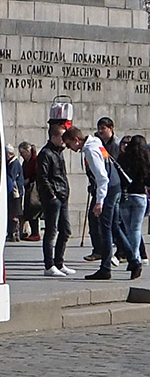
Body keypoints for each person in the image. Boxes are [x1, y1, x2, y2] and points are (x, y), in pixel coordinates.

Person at [64, 125, 121, 280]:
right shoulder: (95, 141)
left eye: (69, 144)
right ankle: (132, 259)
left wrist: (99, 201)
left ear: (76, 140)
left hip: (107, 189)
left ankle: (106, 268)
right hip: (114, 186)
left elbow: (102, 177)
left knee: (106, 229)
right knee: (113, 226)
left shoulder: (90, 150)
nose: (70, 149)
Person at [36, 123, 75, 277]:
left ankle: (59, 262)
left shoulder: (58, 152)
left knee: (65, 230)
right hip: (54, 197)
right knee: (51, 231)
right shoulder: (46, 153)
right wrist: (52, 194)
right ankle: (49, 265)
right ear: (53, 137)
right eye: (61, 137)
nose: (64, 140)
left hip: (62, 195)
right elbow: (42, 177)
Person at [83, 116, 122, 262]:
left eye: (103, 128)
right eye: (99, 128)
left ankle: (124, 252)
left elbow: (109, 169)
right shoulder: (96, 142)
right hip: (99, 186)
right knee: (95, 219)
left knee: (113, 223)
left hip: (111, 186)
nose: (100, 131)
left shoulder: (116, 145)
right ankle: (98, 250)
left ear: (110, 128)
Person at [116, 134, 149, 280]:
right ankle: (135, 257)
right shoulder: (146, 159)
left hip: (125, 196)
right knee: (136, 228)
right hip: (140, 195)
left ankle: (133, 258)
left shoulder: (123, 158)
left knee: (127, 228)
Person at [18, 141, 42, 241]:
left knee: (33, 210)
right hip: (28, 188)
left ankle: (35, 233)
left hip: (34, 188)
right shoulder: (26, 162)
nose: (21, 155)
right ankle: (32, 232)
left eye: (23, 152)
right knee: (29, 210)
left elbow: (37, 173)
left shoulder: (35, 160)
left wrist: (29, 179)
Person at [5, 144, 24, 242]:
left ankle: (13, 233)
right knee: (13, 213)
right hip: (15, 192)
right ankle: (13, 233)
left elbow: (10, 179)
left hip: (15, 193)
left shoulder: (14, 163)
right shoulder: (13, 163)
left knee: (14, 214)